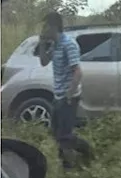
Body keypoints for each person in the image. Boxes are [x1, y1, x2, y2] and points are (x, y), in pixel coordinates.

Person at [37, 11, 88, 169]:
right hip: (58, 95)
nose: (43, 29)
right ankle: (65, 162)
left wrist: (69, 94)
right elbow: (44, 62)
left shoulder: (68, 44)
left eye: (45, 26)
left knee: (64, 135)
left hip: (68, 97)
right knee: (56, 132)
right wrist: (42, 43)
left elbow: (78, 72)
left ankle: (83, 154)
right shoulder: (55, 45)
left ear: (53, 27)